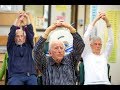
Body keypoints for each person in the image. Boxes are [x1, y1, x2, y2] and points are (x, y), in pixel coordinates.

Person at [33, 20, 85, 85]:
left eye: (61, 48)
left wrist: (69, 27)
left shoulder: (71, 59)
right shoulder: (45, 62)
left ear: (64, 51)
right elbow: (36, 51)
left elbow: (80, 45)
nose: (59, 50)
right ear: (50, 52)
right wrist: (48, 30)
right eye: (56, 48)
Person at [82, 12, 114, 85]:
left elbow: (110, 41)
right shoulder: (86, 54)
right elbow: (85, 37)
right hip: (90, 83)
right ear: (91, 45)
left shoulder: (105, 55)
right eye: (95, 44)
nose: (98, 46)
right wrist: (96, 19)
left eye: (100, 44)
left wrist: (107, 22)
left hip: (105, 83)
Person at [7, 11, 37, 85]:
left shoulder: (29, 45)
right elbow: (11, 33)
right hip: (15, 77)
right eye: (17, 36)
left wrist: (27, 19)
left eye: (22, 36)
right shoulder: (11, 46)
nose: (20, 38)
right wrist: (17, 19)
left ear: (24, 37)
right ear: (14, 38)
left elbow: (30, 32)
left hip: (30, 75)